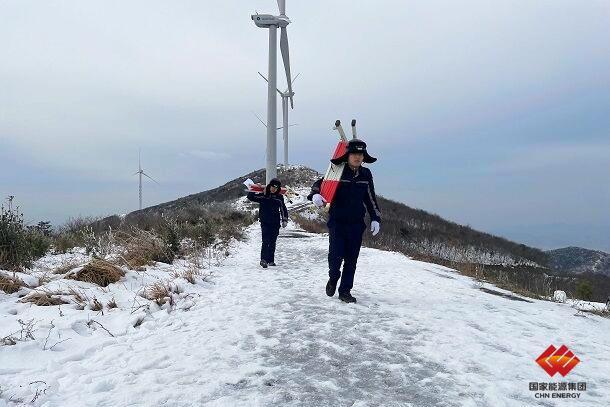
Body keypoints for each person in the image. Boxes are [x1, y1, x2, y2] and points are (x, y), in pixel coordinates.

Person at [307, 138, 381, 303]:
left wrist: (376, 217)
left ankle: (345, 291)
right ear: (347, 155)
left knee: (351, 259)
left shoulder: (366, 174)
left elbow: (371, 198)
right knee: (335, 257)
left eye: (360, 154)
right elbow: (320, 184)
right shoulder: (337, 170)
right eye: (354, 153)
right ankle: (333, 277)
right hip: (338, 222)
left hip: (356, 224)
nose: (357, 157)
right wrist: (315, 194)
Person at [247, 178, 288, 268]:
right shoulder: (263, 195)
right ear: (270, 186)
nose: (274, 189)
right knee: (265, 241)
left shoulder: (279, 197)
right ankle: (263, 260)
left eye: (276, 188)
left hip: (275, 223)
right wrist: (254, 188)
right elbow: (251, 197)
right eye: (273, 186)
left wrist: (284, 219)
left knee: (273, 242)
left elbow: (283, 209)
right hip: (265, 222)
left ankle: (271, 260)